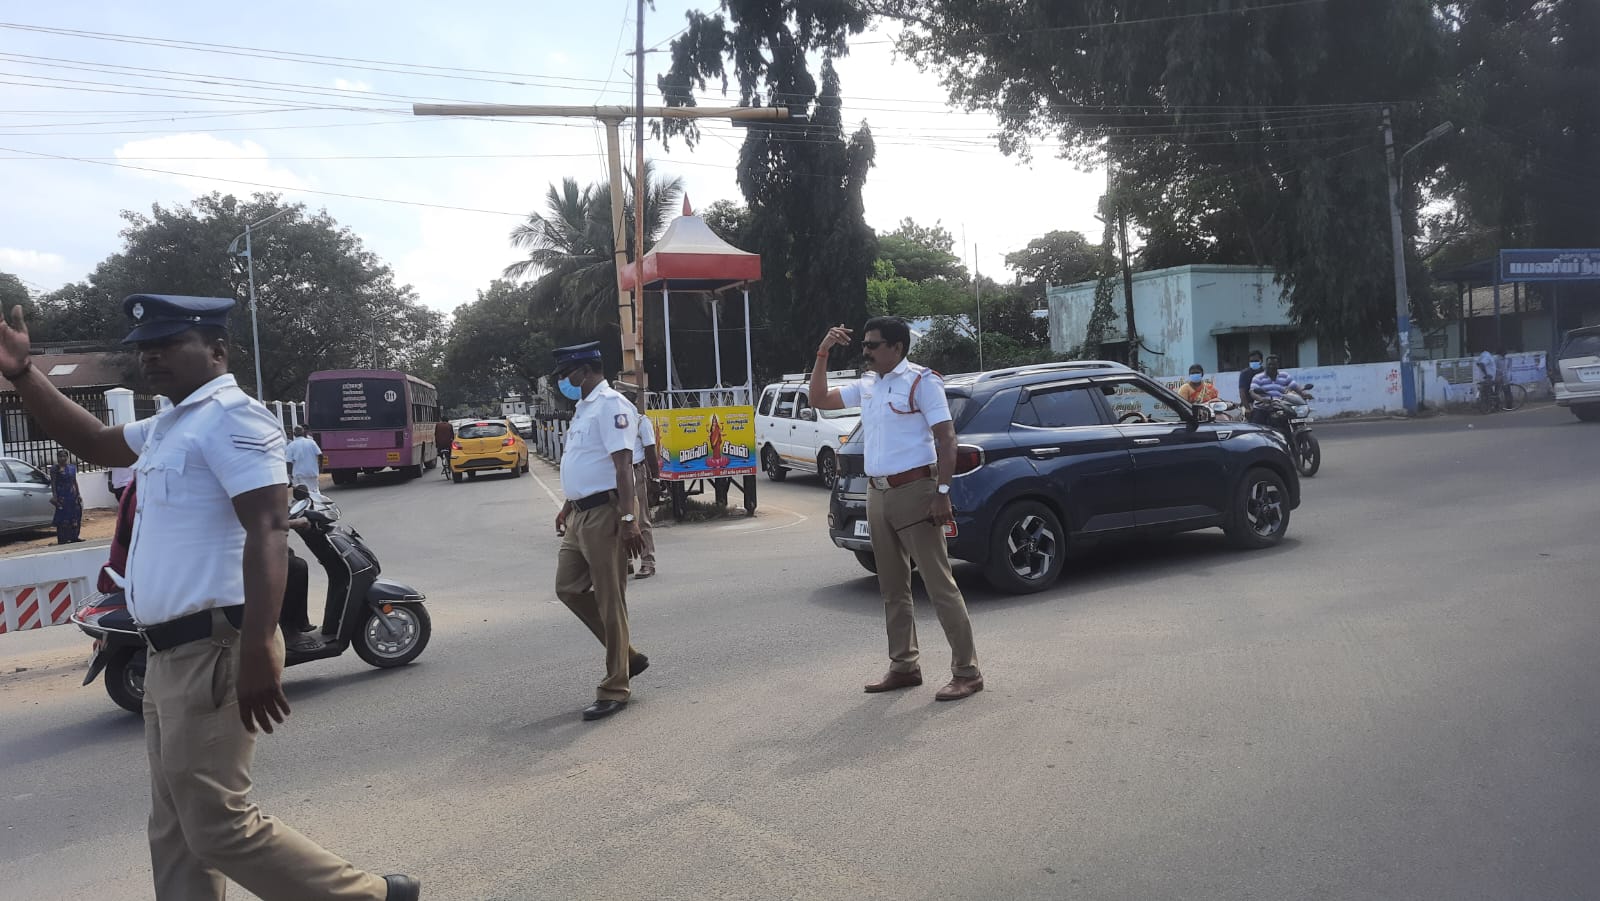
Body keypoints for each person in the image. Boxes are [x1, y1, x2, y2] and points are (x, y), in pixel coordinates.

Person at [0, 294, 418, 901]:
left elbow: (269, 529)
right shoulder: (172, 422)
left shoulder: (233, 418)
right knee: (173, 830)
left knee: (218, 828)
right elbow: (93, 440)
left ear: (217, 350)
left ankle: (371, 897)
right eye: (144, 348)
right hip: (167, 652)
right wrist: (21, 372)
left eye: (167, 345)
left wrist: (257, 649)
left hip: (214, 647)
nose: (151, 357)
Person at [810, 317, 985, 702]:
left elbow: (946, 438)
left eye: (873, 345)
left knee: (939, 584)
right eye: (866, 344)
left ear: (897, 347)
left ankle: (967, 671)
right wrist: (823, 351)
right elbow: (819, 399)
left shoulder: (923, 382)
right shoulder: (869, 384)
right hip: (878, 493)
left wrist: (942, 492)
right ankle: (904, 665)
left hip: (916, 490)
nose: (866, 351)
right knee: (892, 587)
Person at [549, 341, 648, 721]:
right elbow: (582, 461)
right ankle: (629, 655)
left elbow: (623, 467)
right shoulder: (584, 408)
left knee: (610, 602)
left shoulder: (611, 406)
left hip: (606, 514)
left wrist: (629, 519)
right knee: (567, 588)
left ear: (584, 371)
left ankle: (615, 688)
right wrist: (567, 504)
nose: (563, 383)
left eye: (566, 375)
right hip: (578, 515)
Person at [630, 403, 659, 579]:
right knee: (619, 518)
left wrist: (655, 478)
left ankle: (648, 562)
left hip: (636, 470)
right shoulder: (613, 421)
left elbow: (650, 450)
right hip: (615, 473)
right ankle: (625, 561)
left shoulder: (641, 421)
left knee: (641, 518)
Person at [49, 449, 84, 544]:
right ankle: (62, 539)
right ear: (57, 458)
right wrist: (55, 496)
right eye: (60, 456)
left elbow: (74, 481)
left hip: (72, 495)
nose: (63, 458)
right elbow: (53, 483)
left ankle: (74, 536)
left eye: (64, 456)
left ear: (67, 457)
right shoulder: (54, 469)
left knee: (75, 515)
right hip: (62, 496)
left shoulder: (72, 468)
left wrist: (78, 494)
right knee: (63, 517)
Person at [285, 426, 322, 494]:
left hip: (299, 475)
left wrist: (289, 476)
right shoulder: (312, 442)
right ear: (303, 433)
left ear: (294, 434)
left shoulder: (291, 445)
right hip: (312, 473)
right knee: (315, 492)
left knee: (302, 495)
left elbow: (289, 462)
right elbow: (320, 454)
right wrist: (320, 467)